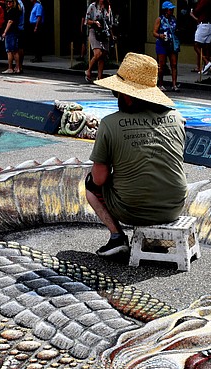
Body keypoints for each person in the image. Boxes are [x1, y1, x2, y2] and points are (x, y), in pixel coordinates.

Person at [85, 52, 187, 257]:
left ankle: (116, 237)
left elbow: (99, 178)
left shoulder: (110, 123)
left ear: (128, 96)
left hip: (131, 209)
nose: (116, 97)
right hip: (175, 205)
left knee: (90, 184)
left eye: (118, 93)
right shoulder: (177, 118)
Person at [152, 1, 179, 92]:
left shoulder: (173, 19)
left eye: (172, 9)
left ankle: (174, 84)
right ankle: (160, 84)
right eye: (170, 9)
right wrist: (160, 36)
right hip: (162, 44)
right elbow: (154, 32)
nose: (172, 11)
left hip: (171, 44)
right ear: (165, 10)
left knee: (174, 64)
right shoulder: (160, 19)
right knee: (161, 65)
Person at [84, 0, 111, 82]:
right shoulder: (92, 6)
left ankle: (100, 77)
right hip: (94, 31)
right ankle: (88, 70)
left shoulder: (108, 7)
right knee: (98, 53)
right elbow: (86, 21)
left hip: (104, 32)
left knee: (103, 55)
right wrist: (94, 22)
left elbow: (110, 22)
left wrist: (112, 35)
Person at [190, 0, 211, 74]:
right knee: (206, 47)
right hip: (210, 25)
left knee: (196, 45)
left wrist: (193, 13)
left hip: (204, 25)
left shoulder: (203, 1)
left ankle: (207, 62)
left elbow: (197, 10)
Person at [0, 0, 19, 73]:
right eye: (7, 2)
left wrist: (5, 32)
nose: (8, 3)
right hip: (14, 31)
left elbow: (10, 22)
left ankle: (10, 68)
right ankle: (17, 68)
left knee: (9, 51)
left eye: (10, 2)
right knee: (15, 51)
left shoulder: (12, 11)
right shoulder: (16, 10)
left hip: (10, 32)